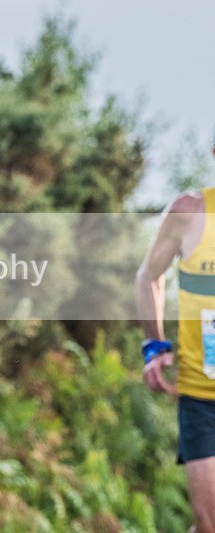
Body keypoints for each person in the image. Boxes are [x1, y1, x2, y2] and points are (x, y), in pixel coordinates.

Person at [136, 132, 215, 532]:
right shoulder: (189, 212)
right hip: (202, 397)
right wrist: (155, 345)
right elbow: (149, 276)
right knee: (209, 521)